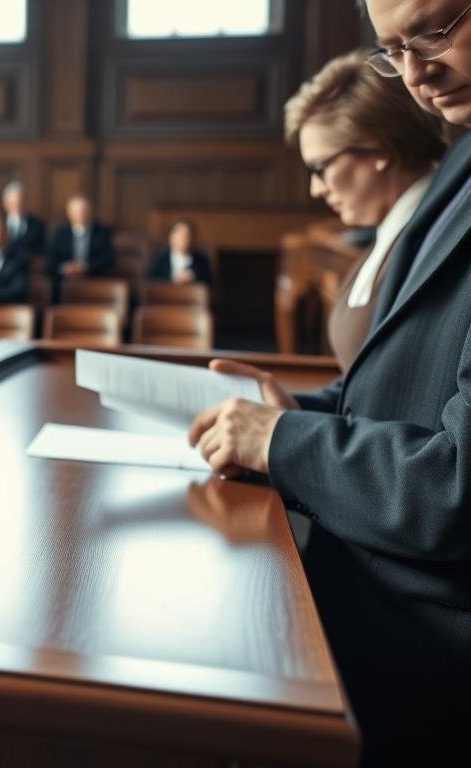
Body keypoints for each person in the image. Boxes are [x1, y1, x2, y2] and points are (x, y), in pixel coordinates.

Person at [187, 1, 471, 759]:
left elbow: (457, 489)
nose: (415, 69)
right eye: (393, 49)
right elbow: (408, 391)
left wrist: (284, 438)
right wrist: (296, 416)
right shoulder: (461, 164)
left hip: (430, 652)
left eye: (436, 30)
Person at [283, 50, 445, 372]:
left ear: (379, 151)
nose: (316, 189)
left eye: (320, 168)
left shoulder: (438, 240)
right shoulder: (391, 229)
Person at [46, 194, 115, 301]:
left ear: (91, 212)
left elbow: (109, 259)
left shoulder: (102, 233)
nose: (81, 214)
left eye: (84, 211)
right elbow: (50, 261)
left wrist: (85, 267)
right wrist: (65, 267)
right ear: (69, 214)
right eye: (77, 211)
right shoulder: (59, 234)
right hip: (65, 282)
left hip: (93, 279)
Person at [146, 219, 214, 288]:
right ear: (171, 237)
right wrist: (172, 279)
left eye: (186, 236)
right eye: (178, 235)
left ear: (192, 239)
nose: (181, 239)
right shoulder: (161, 258)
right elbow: (150, 280)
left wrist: (193, 277)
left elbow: (210, 283)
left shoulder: (201, 260)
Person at [1, 181, 46, 255]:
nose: (18, 207)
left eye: (21, 202)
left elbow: (41, 250)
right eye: (14, 203)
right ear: (6, 203)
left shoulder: (38, 224)